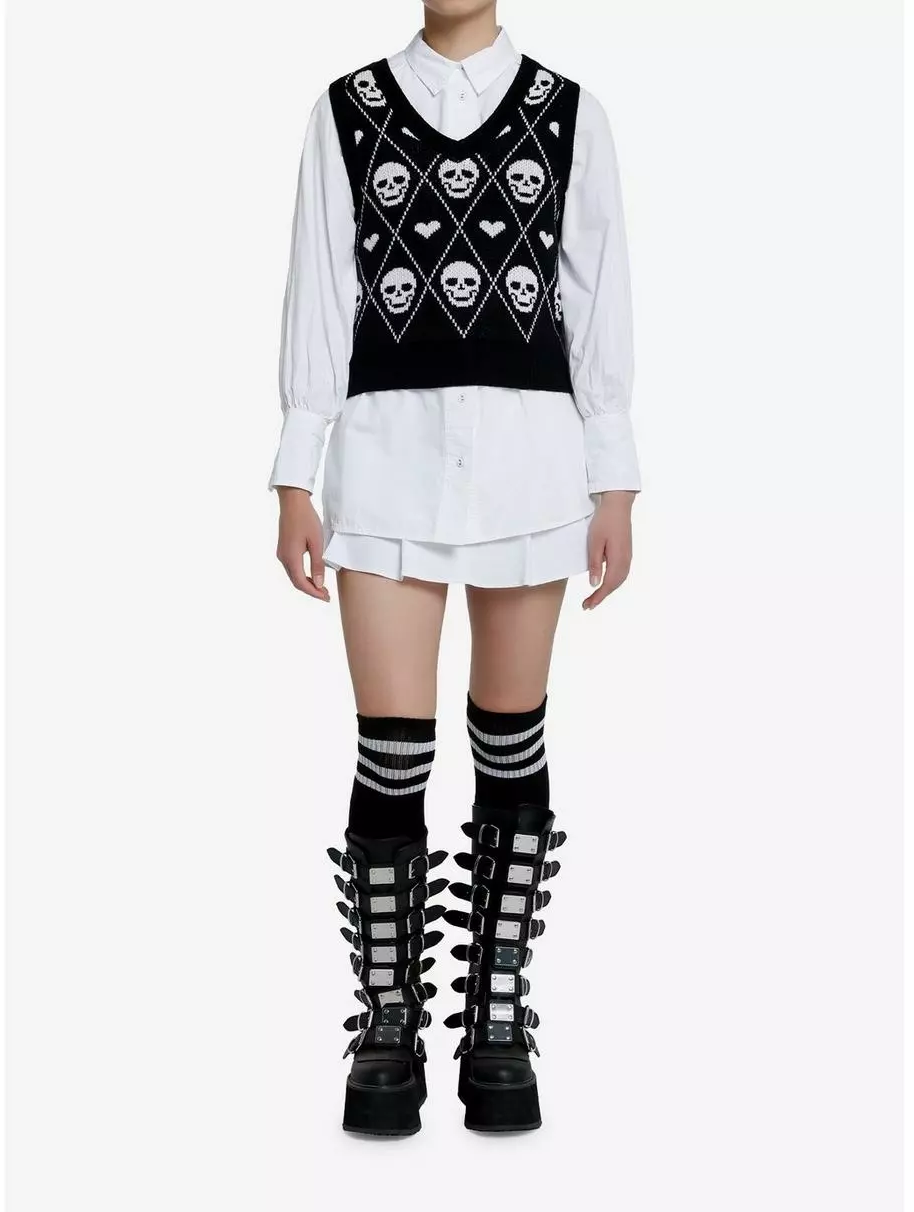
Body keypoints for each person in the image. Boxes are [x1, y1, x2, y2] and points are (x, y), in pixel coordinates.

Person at [270, 0, 639, 1135]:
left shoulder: (568, 114)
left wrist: (614, 475)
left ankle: (495, 1017)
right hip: (385, 461)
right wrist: (295, 467)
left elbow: (596, 297)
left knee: (510, 738)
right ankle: (389, 1022)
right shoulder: (347, 110)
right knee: (391, 749)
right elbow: (322, 292)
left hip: (531, 464)